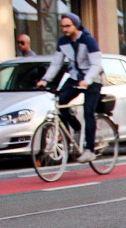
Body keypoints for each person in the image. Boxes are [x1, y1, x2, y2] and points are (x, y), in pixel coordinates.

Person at [36, 12, 104, 163]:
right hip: (75, 77)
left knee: (88, 111)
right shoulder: (63, 42)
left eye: (68, 26)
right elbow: (57, 63)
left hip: (93, 79)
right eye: (62, 27)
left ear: (76, 25)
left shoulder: (88, 40)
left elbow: (96, 64)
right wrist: (45, 80)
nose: (65, 29)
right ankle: (76, 128)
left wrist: (87, 80)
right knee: (61, 103)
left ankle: (90, 149)